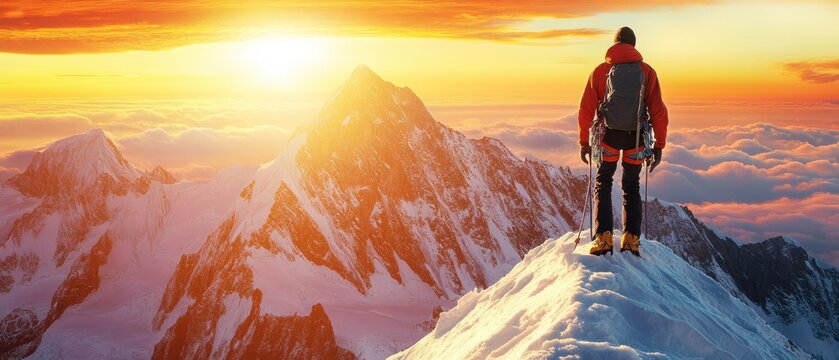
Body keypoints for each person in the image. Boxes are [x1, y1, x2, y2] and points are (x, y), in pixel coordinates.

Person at [577, 26, 669, 256]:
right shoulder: (646, 72)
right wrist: (659, 145)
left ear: (615, 44)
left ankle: (604, 238)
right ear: (634, 46)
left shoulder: (600, 71)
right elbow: (658, 111)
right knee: (631, 186)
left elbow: (585, 109)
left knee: (603, 183)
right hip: (636, 138)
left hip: (608, 137)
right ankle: (631, 240)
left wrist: (583, 141)